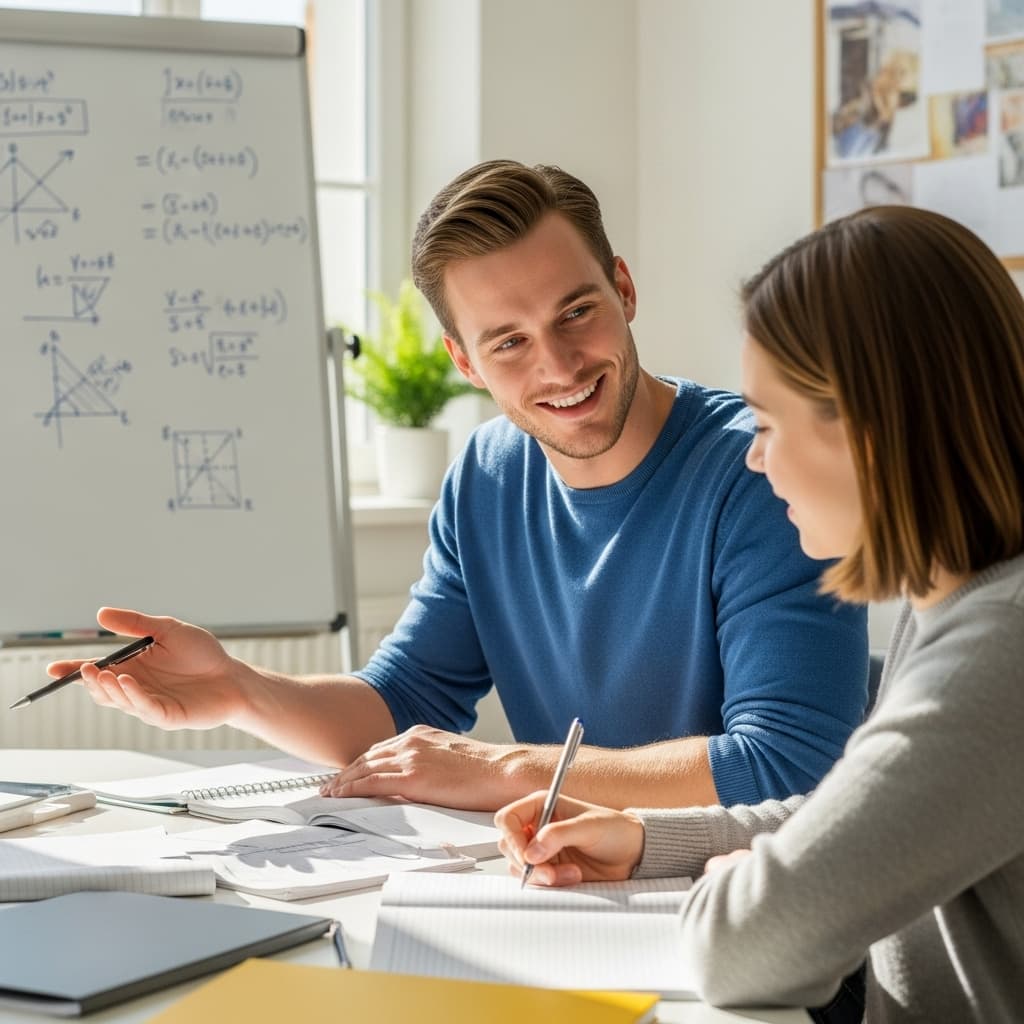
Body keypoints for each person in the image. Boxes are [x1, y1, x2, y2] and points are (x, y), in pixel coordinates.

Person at [53, 160, 867, 813]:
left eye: (576, 311)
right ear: (464, 362)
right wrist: (239, 689)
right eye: (509, 342)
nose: (558, 365)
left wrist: (506, 770)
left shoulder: (762, 473)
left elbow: (790, 763)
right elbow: (404, 699)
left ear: (623, 288)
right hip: (577, 891)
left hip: (745, 918)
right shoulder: (486, 477)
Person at [495, 205, 1024, 1022]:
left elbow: (746, 950)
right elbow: (852, 816)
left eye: (769, 422)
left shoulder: (1000, 650)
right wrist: (646, 840)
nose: (753, 454)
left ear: (873, 430)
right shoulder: (957, 602)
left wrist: (734, 889)